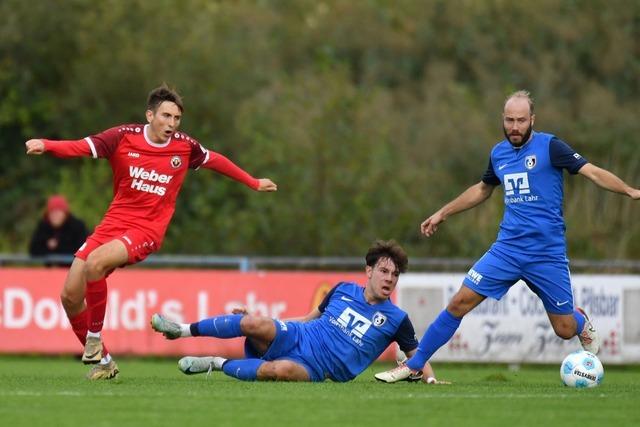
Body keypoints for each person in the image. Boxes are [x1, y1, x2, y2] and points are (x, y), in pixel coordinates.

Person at [375, 90, 640, 383]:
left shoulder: (550, 147)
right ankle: (415, 365)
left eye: (521, 121)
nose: (515, 127)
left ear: (532, 120)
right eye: (510, 120)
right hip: (507, 250)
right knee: (458, 303)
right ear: (503, 119)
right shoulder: (498, 153)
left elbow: (592, 172)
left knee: (564, 329)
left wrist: (629, 190)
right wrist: (443, 213)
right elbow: (482, 189)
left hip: (546, 253)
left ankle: (580, 320)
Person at [25, 84, 277, 380]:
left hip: (146, 229)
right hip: (112, 224)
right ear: (150, 115)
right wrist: (47, 144)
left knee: (95, 263)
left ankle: (93, 340)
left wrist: (252, 182)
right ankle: (105, 363)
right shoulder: (122, 137)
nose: (172, 124)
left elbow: (216, 160)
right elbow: (81, 146)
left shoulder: (185, 146)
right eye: (166, 116)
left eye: (177, 118)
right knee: (69, 296)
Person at [151, 240, 447, 384]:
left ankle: (215, 362)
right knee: (253, 322)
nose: (389, 279)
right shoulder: (343, 289)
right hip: (299, 335)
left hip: (319, 368)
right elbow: (307, 320)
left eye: (395, 275)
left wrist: (432, 382)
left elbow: (417, 355)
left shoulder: (397, 319)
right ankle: (182, 329)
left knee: (279, 371)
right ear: (368, 270)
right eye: (384, 271)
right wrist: (262, 319)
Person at [29, 194, 89, 266]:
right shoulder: (44, 226)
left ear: (65, 214)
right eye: (53, 213)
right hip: (50, 272)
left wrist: (58, 246)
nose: (55, 216)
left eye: (58, 213)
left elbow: (83, 249)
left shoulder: (77, 227)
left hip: (72, 269)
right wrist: (47, 246)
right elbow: (33, 249)